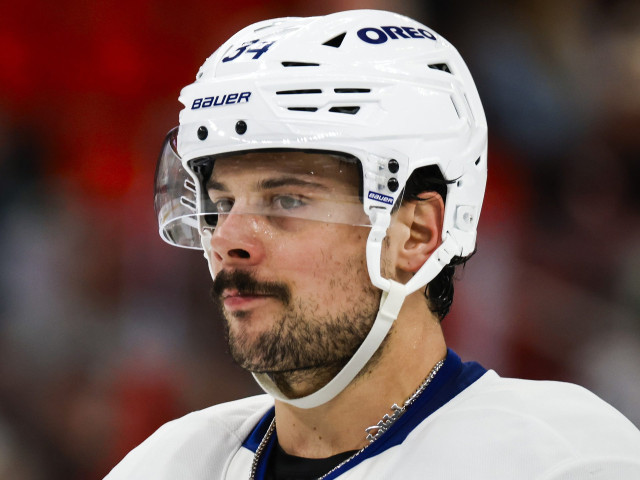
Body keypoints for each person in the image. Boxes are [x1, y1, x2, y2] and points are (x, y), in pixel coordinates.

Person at [106, 9, 640, 479]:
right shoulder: (165, 464)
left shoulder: (560, 462)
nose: (226, 239)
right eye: (222, 204)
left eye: (286, 200)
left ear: (417, 234)